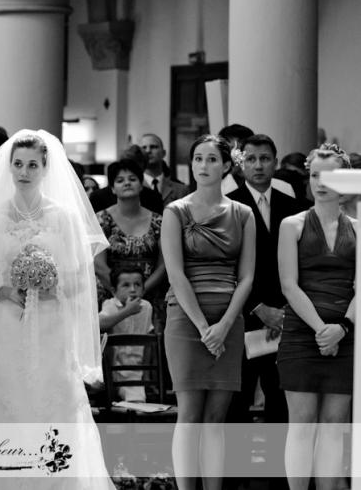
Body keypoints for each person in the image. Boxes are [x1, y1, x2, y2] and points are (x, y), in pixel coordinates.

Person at [0, 129, 113, 488]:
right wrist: (6, 289)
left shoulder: (65, 218)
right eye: (18, 164)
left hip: (53, 330)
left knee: (57, 409)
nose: (24, 172)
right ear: (8, 167)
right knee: (10, 412)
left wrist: (51, 285)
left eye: (32, 165)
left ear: (46, 168)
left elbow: (80, 284)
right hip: (6, 331)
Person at [161, 134, 255, 490]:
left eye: (212, 159)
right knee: (189, 415)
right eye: (198, 159)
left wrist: (225, 325)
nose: (203, 166)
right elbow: (175, 273)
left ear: (227, 166)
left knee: (217, 417)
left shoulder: (242, 214)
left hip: (229, 316)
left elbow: (247, 276)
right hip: (186, 319)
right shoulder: (176, 211)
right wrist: (204, 327)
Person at [277, 144, 356, 490]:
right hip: (300, 334)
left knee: (334, 425)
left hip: (348, 334)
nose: (320, 183)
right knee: (302, 424)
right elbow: (288, 285)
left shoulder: (358, 228)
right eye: (313, 175)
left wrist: (343, 328)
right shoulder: (291, 224)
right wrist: (322, 329)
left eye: (329, 175)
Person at [224, 134, 304, 478]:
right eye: (252, 159)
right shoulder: (228, 205)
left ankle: (276, 473)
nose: (259, 166)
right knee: (238, 399)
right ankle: (238, 473)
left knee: (280, 397)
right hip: (244, 315)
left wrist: (285, 310)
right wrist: (258, 307)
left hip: (286, 317)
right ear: (241, 164)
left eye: (265, 158)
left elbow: (301, 264)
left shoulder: (294, 207)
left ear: (276, 161)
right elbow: (227, 265)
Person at [94, 159, 166, 328]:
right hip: (110, 295)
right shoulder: (100, 219)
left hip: (149, 294)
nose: (126, 183)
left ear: (141, 185)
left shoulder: (159, 221)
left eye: (132, 179)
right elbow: (98, 264)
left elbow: (164, 265)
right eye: (120, 180)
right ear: (112, 188)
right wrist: (121, 292)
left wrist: (140, 291)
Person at [100, 265, 154, 402]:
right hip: (112, 370)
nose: (133, 289)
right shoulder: (110, 305)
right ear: (114, 291)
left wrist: (146, 375)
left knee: (136, 401)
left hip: (135, 372)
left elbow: (148, 343)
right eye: (126, 285)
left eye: (137, 284)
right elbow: (98, 324)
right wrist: (127, 311)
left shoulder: (146, 307)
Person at [140, 133, 189, 206]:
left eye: (153, 147)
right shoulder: (133, 188)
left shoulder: (181, 190)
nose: (148, 151)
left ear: (163, 153)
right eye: (144, 148)